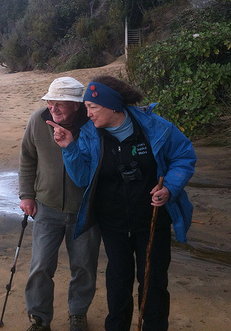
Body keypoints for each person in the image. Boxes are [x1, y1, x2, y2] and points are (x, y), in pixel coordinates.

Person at [47, 75, 196, 331]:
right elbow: (83, 178)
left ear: (112, 105)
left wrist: (170, 187)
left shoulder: (156, 128)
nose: (88, 113)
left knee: (153, 282)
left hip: (152, 222)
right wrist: (69, 148)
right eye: (86, 107)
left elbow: (184, 156)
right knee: (118, 283)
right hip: (113, 224)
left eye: (92, 107)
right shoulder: (89, 135)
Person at [19, 77, 102, 331]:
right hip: (46, 207)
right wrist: (26, 195)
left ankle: (78, 314)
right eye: (50, 102)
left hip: (85, 211)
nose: (53, 108)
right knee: (41, 267)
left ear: (77, 105)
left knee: (84, 267)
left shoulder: (94, 125)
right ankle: (39, 319)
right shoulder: (37, 121)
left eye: (60, 104)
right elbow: (27, 158)